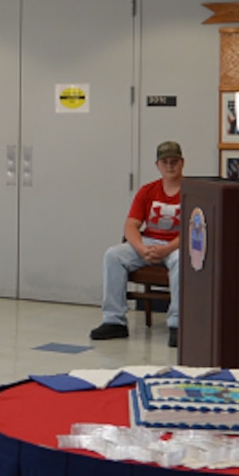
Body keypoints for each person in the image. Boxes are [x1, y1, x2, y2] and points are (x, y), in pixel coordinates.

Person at [91, 141, 185, 345]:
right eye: (165, 162)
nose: (170, 166)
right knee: (113, 255)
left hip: (177, 245)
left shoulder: (193, 192)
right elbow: (131, 225)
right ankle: (114, 321)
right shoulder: (147, 191)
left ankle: (177, 324)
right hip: (149, 242)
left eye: (174, 161)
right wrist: (142, 249)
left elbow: (195, 231)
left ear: (182, 163)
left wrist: (167, 249)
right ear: (157, 165)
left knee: (181, 262)